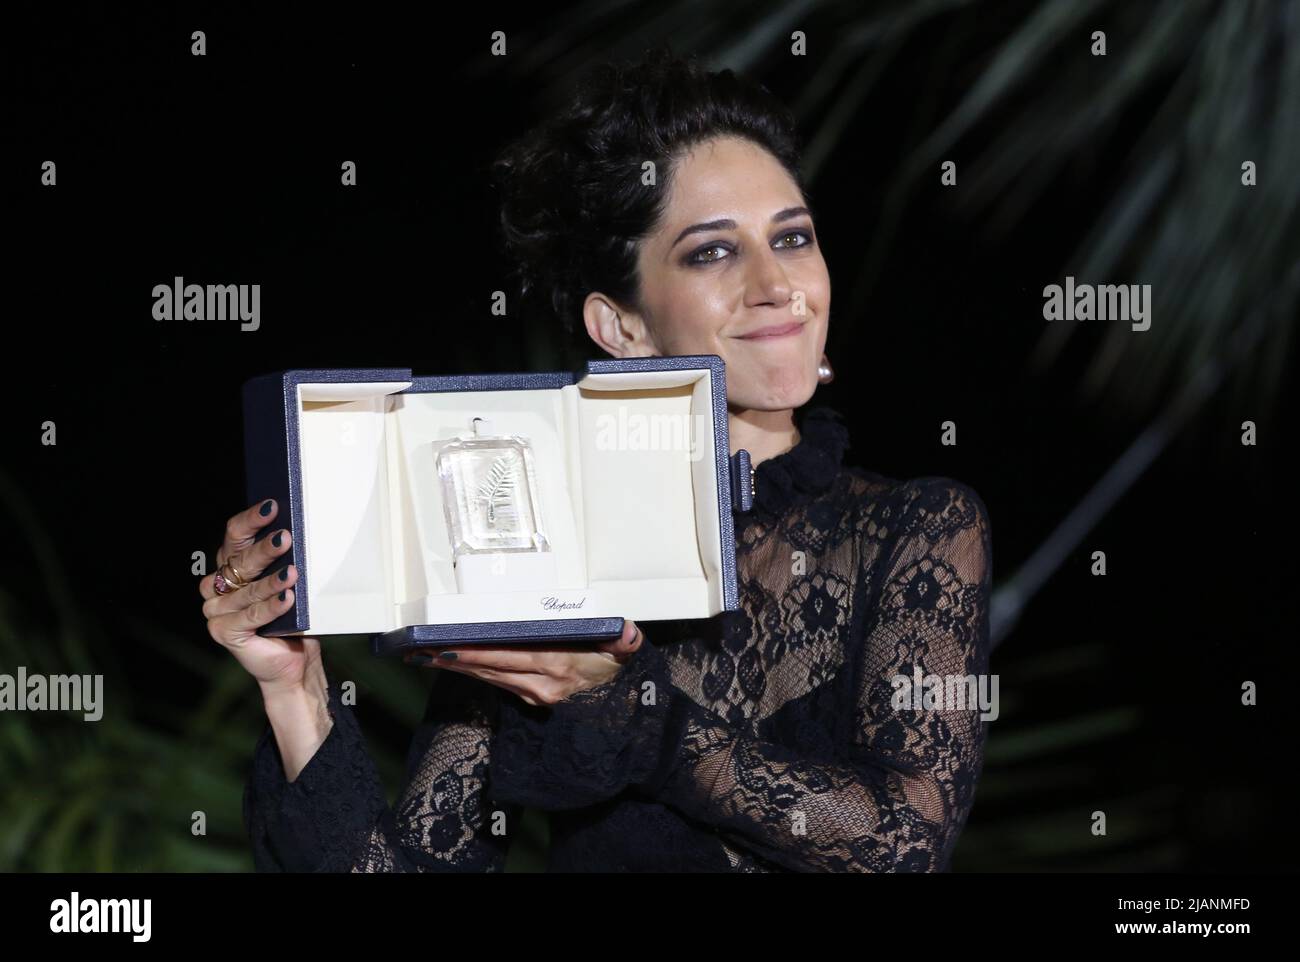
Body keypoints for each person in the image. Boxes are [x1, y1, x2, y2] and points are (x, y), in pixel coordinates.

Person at [204, 45, 993, 872]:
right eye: (713, 252)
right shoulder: (540, 562)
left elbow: (907, 842)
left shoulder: (916, 526)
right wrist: (295, 692)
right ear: (623, 328)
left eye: (791, 238)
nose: (777, 284)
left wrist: (636, 712)